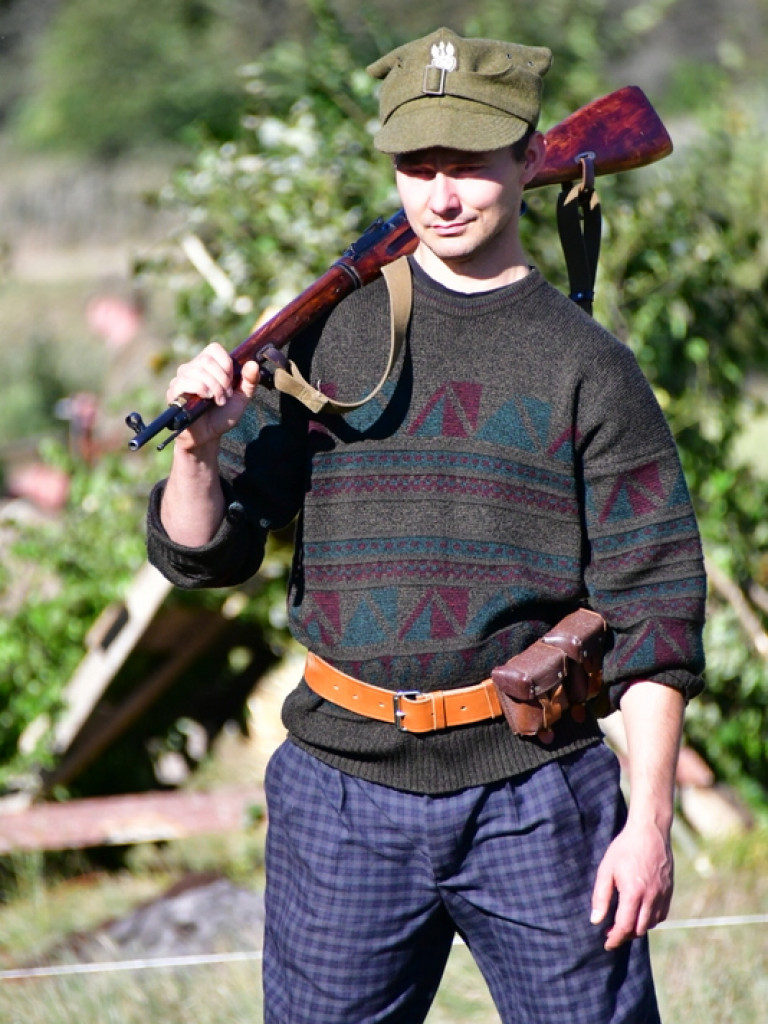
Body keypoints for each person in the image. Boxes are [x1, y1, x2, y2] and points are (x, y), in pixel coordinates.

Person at [145, 26, 706, 1024]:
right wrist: (197, 447)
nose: (441, 195)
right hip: (340, 793)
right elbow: (206, 552)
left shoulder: (591, 364)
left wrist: (649, 823)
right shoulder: (331, 326)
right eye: (417, 165)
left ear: (534, 157)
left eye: (469, 164)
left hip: (541, 793)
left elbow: (655, 609)